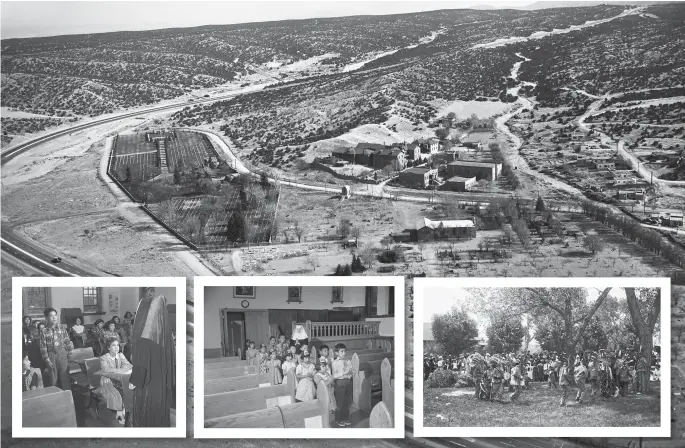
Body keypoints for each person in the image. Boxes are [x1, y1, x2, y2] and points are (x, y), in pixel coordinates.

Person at [127, 291, 175, 427]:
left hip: (147, 383)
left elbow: (141, 361)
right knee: (159, 410)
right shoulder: (166, 336)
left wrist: (134, 380)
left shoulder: (144, 336)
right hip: (161, 382)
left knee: (147, 414)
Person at [98, 337, 133, 425]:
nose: (116, 347)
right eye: (113, 345)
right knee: (117, 392)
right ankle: (119, 413)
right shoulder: (104, 358)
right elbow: (106, 370)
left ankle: (126, 409)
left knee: (128, 387)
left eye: (117, 345)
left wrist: (118, 369)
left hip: (120, 378)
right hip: (107, 379)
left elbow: (129, 365)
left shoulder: (120, 355)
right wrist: (121, 369)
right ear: (108, 348)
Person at [40, 308, 73, 390]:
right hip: (51, 355)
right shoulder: (44, 331)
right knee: (53, 379)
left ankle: (68, 397)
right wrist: (47, 360)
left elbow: (67, 341)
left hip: (62, 354)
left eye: (55, 315)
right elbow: (43, 347)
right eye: (51, 316)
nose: (54, 317)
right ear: (46, 318)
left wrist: (69, 355)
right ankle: (55, 398)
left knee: (65, 378)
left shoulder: (62, 328)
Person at [331, 343, 353, 427]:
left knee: (347, 402)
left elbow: (350, 373)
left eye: (345, 351)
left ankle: (345, 417)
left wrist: (350, 373)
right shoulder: (335, 363)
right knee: (340, 403)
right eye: (342, 351)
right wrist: (346, 371)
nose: (344, 353)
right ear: (336, 353)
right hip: (340, 383)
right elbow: (335, 375)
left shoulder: (347, 361)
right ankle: (338, 419)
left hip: (347, 382)